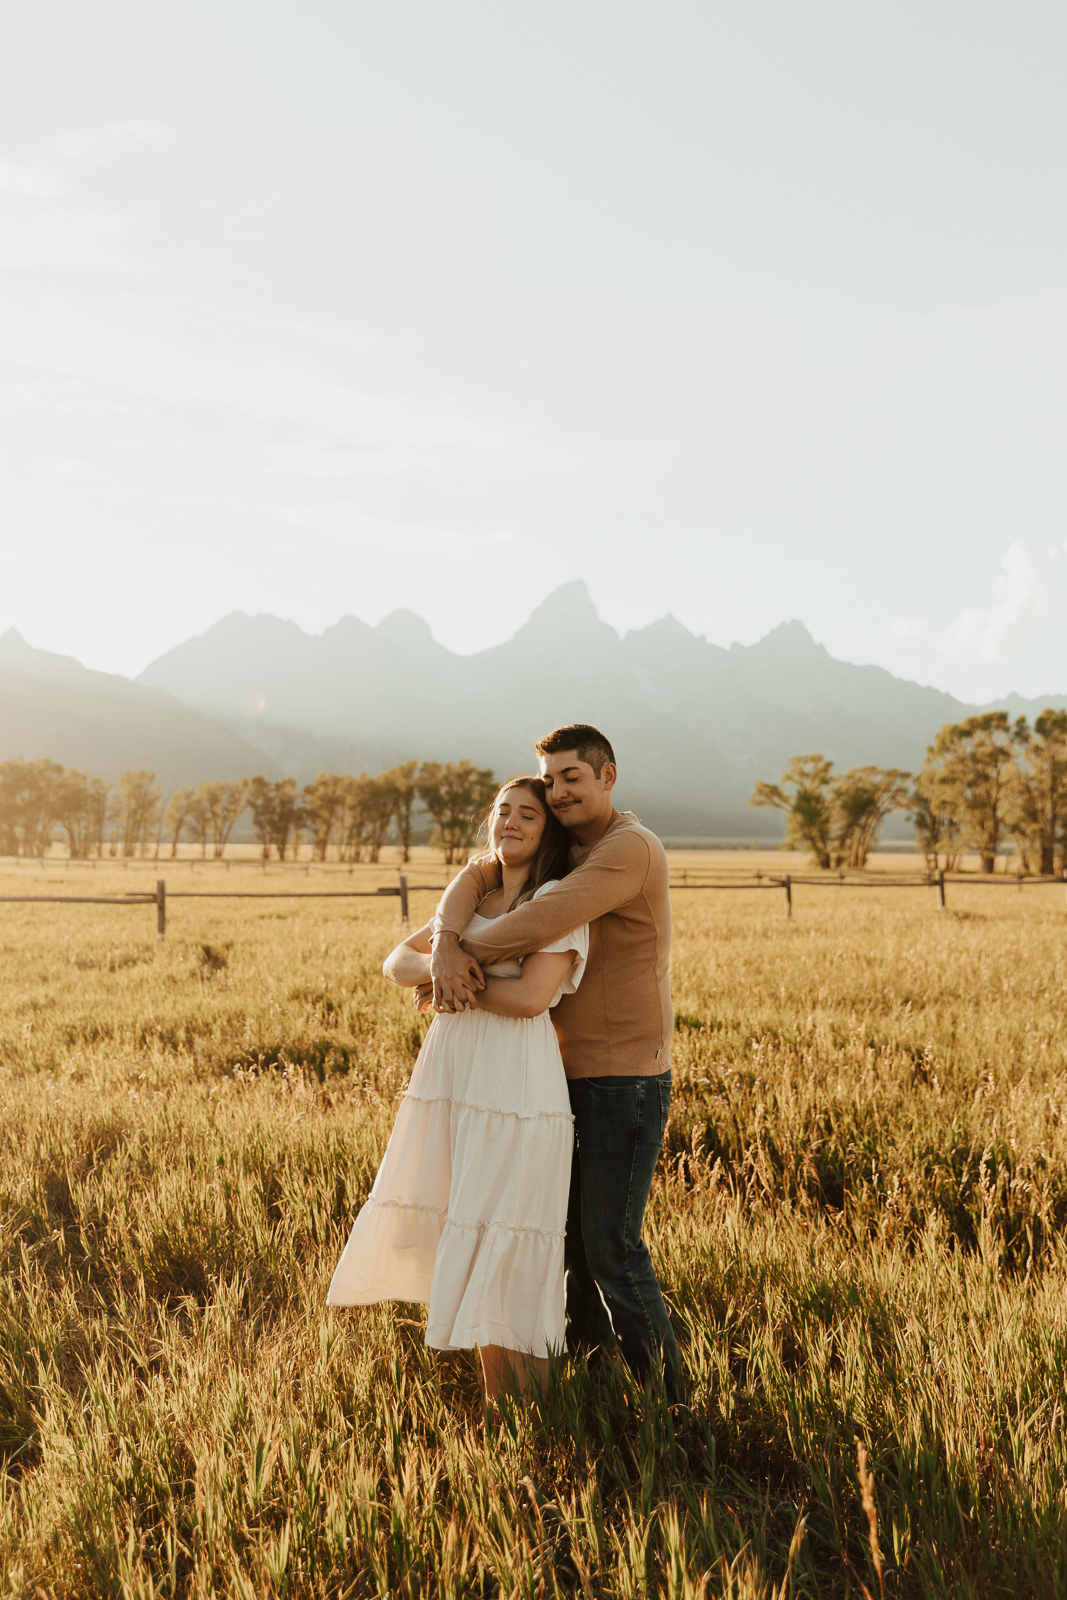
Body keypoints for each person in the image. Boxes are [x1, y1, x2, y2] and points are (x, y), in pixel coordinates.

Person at [429, 723, 683, 1406]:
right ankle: (593, 1381)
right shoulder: (564, 844)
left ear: (607, 776)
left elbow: (541, 924)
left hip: (623, 1076)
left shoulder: (626, 848)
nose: (559, 790)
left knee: (609, 1246)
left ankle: (671, 1400)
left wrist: (452, 954)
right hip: (554, 1075)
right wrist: (445, 936)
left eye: (573, 776)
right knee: (561, 1241)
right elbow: (479, 872)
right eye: (550, 780)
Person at [327, 775, 588, 1405]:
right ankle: (505, 1406)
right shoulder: (471, 903)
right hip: (458, 1083)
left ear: (549, 828)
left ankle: (539, 1410)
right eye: (502, 812)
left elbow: (530, 998)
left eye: (528, 814)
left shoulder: (555, 900)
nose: (511, 822)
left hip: (517, 1091)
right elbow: (397, 963)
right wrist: (442, 959)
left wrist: (455, 982)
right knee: (471, 1231)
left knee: (514, 1235)